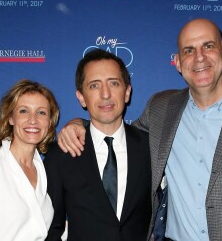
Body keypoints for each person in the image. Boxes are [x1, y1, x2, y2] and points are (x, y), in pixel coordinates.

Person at [57, 18, 222, 241]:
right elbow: (117, 134)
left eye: (208, 46)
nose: (199, 57)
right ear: (177, 63)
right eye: (189, 50)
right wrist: (80, 124)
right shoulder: (161, 108)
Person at [44, 49, 152, 241]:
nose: (105, 94)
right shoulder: (60, 154)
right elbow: (51, 228)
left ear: (127, 92)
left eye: (114, 83)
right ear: (81, 97)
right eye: (94, 86)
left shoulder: (151, 147)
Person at [0, 79, 60, 241]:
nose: (33, 119)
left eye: (41, 112)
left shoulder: (43, 171)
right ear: (11, 118)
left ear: (49, 122)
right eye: (24, 111)